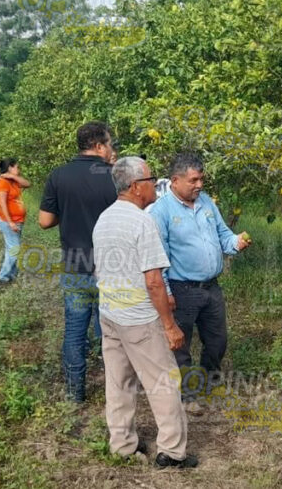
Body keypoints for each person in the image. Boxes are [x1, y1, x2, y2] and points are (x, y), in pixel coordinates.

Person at [93, 156, 196, 469]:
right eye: (152, 181)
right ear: (137, 187)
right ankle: (172, 452)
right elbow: (153, 281)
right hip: (139, 318)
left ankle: (122, 444)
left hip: (110, 314)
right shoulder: (142, 221)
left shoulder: (105, 218)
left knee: (118, 381)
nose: (156, 186)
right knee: (164, 382)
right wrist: (169, 325)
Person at [149, 153, 250, 408]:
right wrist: (168, 293)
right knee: (180, 345)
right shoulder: (161, 212)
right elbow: (158, 257)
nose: (200, 185)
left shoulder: (206, 202)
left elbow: (223, 234)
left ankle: (208, 380)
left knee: (217, 340)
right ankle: (186, 394)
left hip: (211, 287)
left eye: (201, 179)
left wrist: (235, 243)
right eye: (194, 180)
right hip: (182, 289)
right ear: (175, 180)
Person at [39, 121, 118, 402]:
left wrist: (70, 211)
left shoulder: (59, 175)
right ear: (98, 146)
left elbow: (45, 221)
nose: (112, 150)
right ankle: (114, 389)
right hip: (110, 268)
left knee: (74, 330)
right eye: (110, 144)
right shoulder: (114, 177)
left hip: (74, 267)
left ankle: (75, 393)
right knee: (110, 331)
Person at [0, 158, 31, 285]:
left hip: (18, 221)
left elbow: (27, 184)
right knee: (14, 249)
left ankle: (12, 275)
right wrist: (10, 222)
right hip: (8, 222)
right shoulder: (2, 183)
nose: (18, 169)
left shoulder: (13, 181)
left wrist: (13, 176)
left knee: (12, 249)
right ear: (10, 167)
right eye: (17, 167)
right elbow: (2, 204)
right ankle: (3, 277)